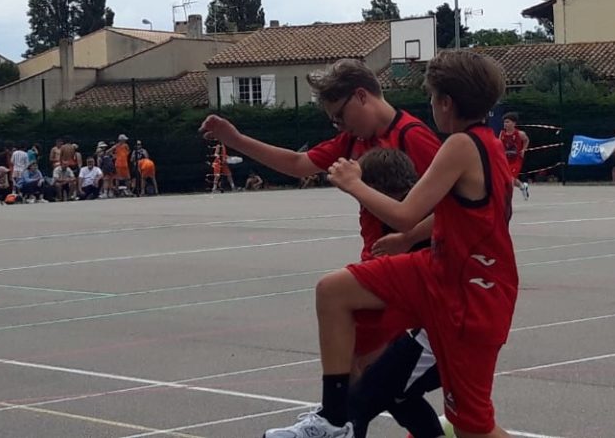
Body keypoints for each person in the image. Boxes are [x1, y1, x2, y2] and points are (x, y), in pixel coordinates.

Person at [260, 50, 517, 438]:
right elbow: (459, 216)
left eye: (432, 97)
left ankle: (342, 418)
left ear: (445, 102)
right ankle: (334, 420)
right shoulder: (487, 145)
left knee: (473, 426)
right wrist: (410, 240)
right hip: (439, 269)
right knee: (333, 290)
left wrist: (354, 184)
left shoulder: (461, 146)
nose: (431, 104)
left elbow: (405, 213)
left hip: (469, 293)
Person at [200, 58, 443, 389]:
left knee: (364, 365)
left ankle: (334, 412)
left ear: (361, 96)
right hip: (376, 262)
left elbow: (453, 208)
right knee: (365, 369)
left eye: (340, 116)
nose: (339, 126)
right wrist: (236, 139)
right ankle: (342, 411)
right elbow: (298, 163)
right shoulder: (353, 140)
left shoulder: (413, 137)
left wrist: (408, 237)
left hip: (410, 271)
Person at [345, 149, 444, 438]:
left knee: (359, 402)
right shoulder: (403, 216)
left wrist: (408, 237)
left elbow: (448, 216)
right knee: (398, 396)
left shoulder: (413, 216)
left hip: (442, 332)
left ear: (375, 188)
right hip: (428, 327)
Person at [501, 112, 529, 200]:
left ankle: (507, 199)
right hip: (506, 159)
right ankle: (522, 186)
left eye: (507, 122)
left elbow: (526, 140)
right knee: (507, 178)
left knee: (510, 179)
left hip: (516, 160)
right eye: (504, 122)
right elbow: (499, 145)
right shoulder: (502, 134)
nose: (505, 124)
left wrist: (523, 149)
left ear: (514, 123)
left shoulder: (520, 134)